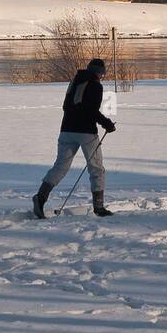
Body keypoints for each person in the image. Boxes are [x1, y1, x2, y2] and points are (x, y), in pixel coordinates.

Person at [32, 58, 116, 218]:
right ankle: (99, 208)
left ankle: (40, 197)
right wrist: (107, 124)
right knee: (96, 168)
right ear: (99, 73)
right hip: (86, 133)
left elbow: (67, 106)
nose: (102, 77)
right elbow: (91, 110)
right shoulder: (96, 85)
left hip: (66, 130)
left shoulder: (75, 81)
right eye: (102, 74)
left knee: (60, 167)